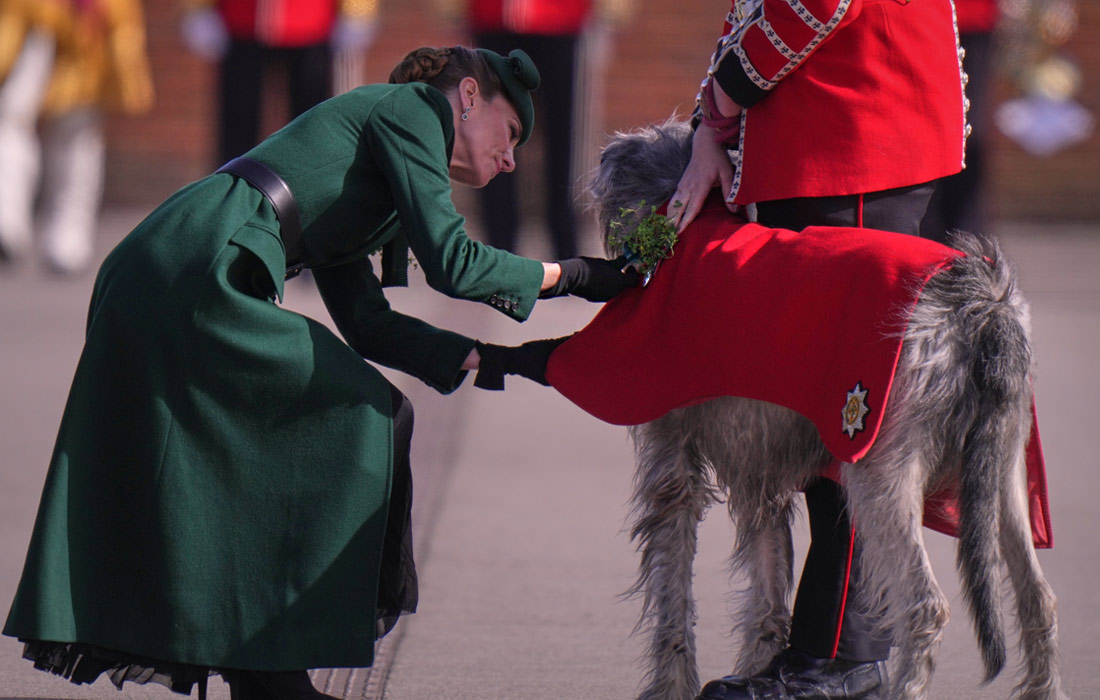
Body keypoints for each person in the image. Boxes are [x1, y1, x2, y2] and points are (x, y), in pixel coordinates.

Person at [2, 45, 637, 700]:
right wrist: (574, 276)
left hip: (190, 261)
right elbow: (453, 262)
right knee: (360, 416)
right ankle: (276, 669)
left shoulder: (391, 160)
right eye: (511, 133)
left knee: (285, 446)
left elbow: (367, 323)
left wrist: (500, 359)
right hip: (194, 264)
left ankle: (265, 675)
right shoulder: (414, 110)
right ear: (470, 96)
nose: (510, 160)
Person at [664, 2, 968, 699]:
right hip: (832, 138)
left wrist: (723, 101)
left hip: (853, 138)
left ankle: (843, 658)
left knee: (853, 418)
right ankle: (827, 648)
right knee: (826, 411)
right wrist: (712, 125)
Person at [445, 0, 629, 259]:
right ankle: (498, 256)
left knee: (565, 144)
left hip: (562, 18)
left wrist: (613, 10)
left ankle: (567, 255)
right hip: (492, 16)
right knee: (492, 140)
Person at [0, 0, 154, 274]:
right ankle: (7, 222)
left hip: (82, 34)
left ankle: (66, 238)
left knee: (75, 139)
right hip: (30, 29)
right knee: (11, 123)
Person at [180, 0, 379, 166]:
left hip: (312, 23)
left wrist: (357, 10)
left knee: (314, 126)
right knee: (238, 127)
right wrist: (197, 8)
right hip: (242, 21)